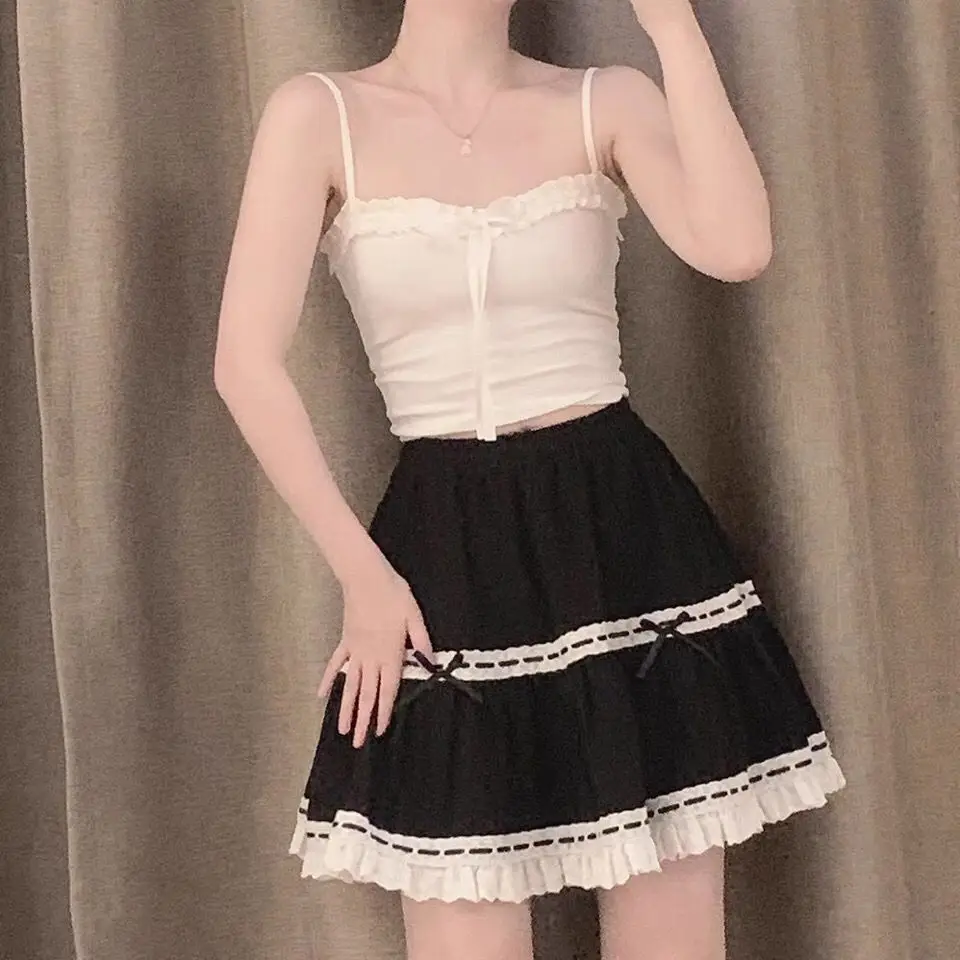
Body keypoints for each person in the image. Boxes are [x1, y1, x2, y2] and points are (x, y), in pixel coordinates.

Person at [213, 0, 845, 957]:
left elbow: (737, 246)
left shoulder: (604, 98)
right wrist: (364, 576)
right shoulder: (318, 114)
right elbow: (244, 365)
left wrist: (673, 27)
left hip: (624, 534)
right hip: (442, 547)